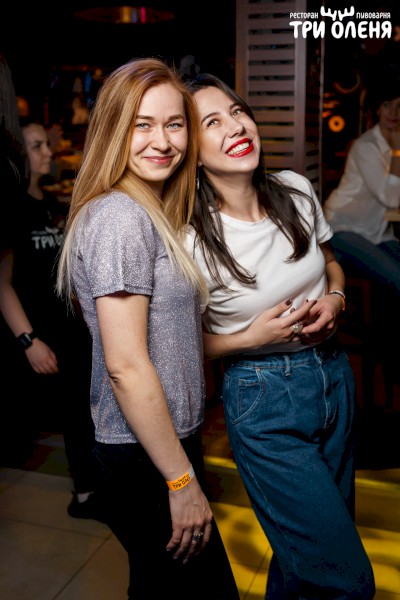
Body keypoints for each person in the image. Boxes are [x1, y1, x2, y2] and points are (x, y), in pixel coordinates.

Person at [183, 73, 375, 599]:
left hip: (333, 377)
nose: (235, 126)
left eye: (236, 111)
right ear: (192, 151)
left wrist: (335, 300)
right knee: (345, 581)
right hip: (264, 399)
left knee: (302, 563)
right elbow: (181, 347)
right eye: (212, 122)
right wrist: (250, 336)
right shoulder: (190, 239)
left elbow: (330, 265)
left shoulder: (294, 188)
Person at [56, 57, 240, 600]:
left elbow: (167, 339)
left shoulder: (147, 209)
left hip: (157, 444)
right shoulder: (121, 216)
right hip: (143, 454)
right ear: (114, 130)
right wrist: (181, 482)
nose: (163, 141)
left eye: (174, 124)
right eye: (143, 125)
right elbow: (126, 366)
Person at [0, 118, 98, 519]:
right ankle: (85, 494)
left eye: (46, 144)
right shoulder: (12, 209)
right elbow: (2, 285)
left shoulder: (53, 204)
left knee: (85, 410)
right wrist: (29, 341)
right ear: (19, 155)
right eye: (37, 146)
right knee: (74, 411)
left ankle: (90, 491)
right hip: (39, 331)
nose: (47, 152)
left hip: (69, 327)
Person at [323, 79, 400, 300]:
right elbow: (391, 199)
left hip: (377, 231)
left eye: (399, 106)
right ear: (377, 109)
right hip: (343, 227)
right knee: (397, 277)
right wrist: (397, 152)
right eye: (387, 105)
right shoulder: (366, 146)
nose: (393, 112)